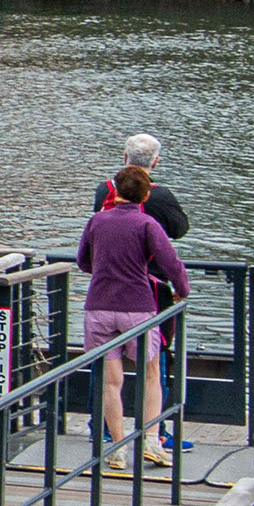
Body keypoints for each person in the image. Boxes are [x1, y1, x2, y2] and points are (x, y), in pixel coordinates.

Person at [77, 163, 189, 467]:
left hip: (99, 307)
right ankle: (152, 440)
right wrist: (182, 290)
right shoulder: (147, 225)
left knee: (110, 381)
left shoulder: (96, 221)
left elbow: (83, 261)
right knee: (150, 373)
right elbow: (172, 263)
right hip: (138, 308)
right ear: (144, 195)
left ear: (115, 191)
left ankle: (117, 447)